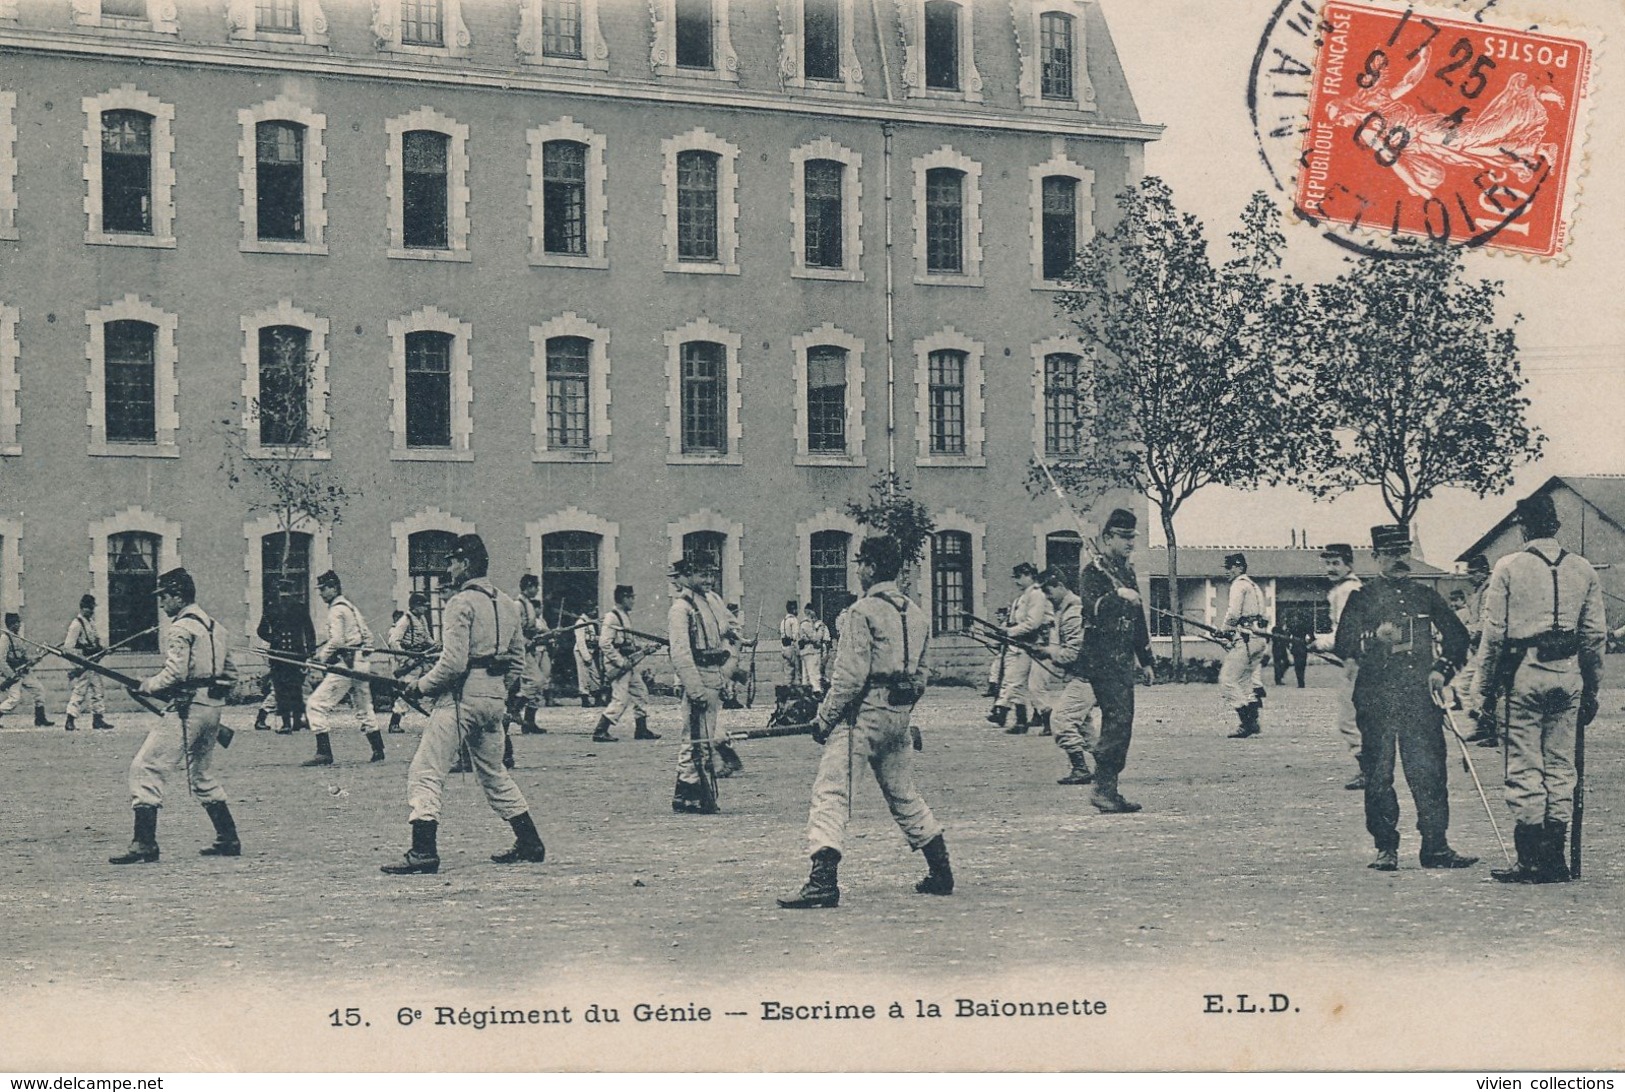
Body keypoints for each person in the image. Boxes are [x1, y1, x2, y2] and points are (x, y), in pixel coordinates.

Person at [778, 535, 949, 908]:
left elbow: (848, 679)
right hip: (899, 716)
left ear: (870, 566)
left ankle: (823, 881)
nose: (858, 571)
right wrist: (901, 709)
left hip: (862, 715)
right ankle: (941, 870)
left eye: (860, 564)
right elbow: (922, 676)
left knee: (831, 792)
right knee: (904, 792)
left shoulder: (862, 612)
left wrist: (823, 720)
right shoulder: (917, 614)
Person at [382, 534, 547, 875]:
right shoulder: (506, 603)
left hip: (462, 699)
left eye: (453, 562)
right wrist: (498, 691)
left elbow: (453, 664)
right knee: (494, 773)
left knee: (425, 770)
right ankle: (530, 841)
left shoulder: (460, 602)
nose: (450, 568)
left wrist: (419, 686)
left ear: (466, 564)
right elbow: (518, 659)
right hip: (494, 698)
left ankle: (423, 851)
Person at [1475, 494, 1605, 884]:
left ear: (1523, 528)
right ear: (1556, 526)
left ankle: (1531, 860)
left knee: (1524, 765)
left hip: (1523, 674)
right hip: (1568, 676)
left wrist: (1483, 688)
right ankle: (1557, 859)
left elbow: (1493, 635)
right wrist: (1592, 688)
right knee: (1561, 766)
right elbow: (1594, 636)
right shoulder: (1583, 570)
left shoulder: (1509, 567)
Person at [1334, 524, 1476, 872]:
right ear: (1376, 557)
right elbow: (1344, 645)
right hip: (1377, 698)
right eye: (1392, 553)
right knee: (1379, 775)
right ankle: (1386, 848)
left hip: (1418, 698)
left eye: (1404, 552)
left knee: (1429, 773)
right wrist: (1373, 638)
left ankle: (1436, 847)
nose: (1400, 559)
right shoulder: (1361, 597)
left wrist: (1441, 669)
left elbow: (1458, 637)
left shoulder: (1425, 595)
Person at [110, 568, 238, 865]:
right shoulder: (216, 627)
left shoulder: (180, 628)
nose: (162, 604)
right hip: (211, 708)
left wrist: (147, 685)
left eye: (165, 597)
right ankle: (228, 837)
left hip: (186, 708)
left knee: (145, 767)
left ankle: (145, 843)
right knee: (201, 774)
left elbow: (174, 674)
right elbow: (230, 674)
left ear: (178, 596)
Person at [1070, 509, 1156, 812]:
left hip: (1122, 659)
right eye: (1124, 538)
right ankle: (1102, 788)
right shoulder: (1093, 572)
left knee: (1123, 722)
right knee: (1117, 720)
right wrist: (1118, 594)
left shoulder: (1125, 571)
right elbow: (1092, 611)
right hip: (1102, 657)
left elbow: (1138, 618)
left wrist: (1145, 659)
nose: (1130, 543)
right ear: (1107, 537)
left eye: (1133, 538)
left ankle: (1109, 788)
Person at [668, 558, 735, 814]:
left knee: (704, 740)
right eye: (701, 575)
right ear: (686, 576)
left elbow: (724, 635)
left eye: (710, 575)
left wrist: (725, 676)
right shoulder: (680, 609)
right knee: (694, 739)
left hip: (713, 674)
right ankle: (688, 794)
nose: (708, 580)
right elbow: (681, 653)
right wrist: (695, 690)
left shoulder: (708, 603)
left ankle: (689, 794)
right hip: (698, 676)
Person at [303, 570, 383, 766]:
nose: (321, 594)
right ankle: (378, 749)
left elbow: (337, 640)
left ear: (334, 588)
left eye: (323, 589)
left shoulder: (336, 610)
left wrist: (321, 657)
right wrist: (362, 656)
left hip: (347, 664)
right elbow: (368, 637)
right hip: (360, 663)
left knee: (315, 704)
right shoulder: (351, 607)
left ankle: (324, 753)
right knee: (364, 706)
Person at [1034, 567, 1095, 786]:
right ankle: (1106, 766)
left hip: (1086, 676)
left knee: (1060, 719)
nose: (1047, 598)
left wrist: (1047, 652)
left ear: (1060, 586)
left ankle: (1081, 769)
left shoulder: (1072, 612)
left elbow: (1072, 653)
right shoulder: (1065, 610)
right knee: (1084, 726)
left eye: (1048, 591)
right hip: (1084, 676)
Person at [1312, 543, 1365, 789]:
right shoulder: (1344, 589)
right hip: (1355, 658)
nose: (1330, 568)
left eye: (1336, 563)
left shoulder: (1347, 590)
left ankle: (1369, 769)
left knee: (1349, 719)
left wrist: (1319, 643)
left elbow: (1346, 632)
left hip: (1358, 660)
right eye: (1327, 563)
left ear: (1349, 565)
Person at [594, 584, 661, 743]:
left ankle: (641, 729)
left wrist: (645, 648)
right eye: (631, 597)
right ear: (623, 598)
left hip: (628, 662)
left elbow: (628, 641)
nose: (633, 601)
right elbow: (605, 643)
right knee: (621, 699)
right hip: (618, 665)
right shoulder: (612, 617)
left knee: (640, 692)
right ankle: (600, 730)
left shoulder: (623, 615)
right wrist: (620, 662)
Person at [990, 563, 1051, 733]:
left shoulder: (1037, 594)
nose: (1016, 581)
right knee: (1016, 681)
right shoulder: (1024, 596)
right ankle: (1021, 722)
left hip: (1041, 644)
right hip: (1025, 644)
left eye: (1018, 577)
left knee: (1036, 685)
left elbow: (1034, 622)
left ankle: (1048, 722)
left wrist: (1011, 631)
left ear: (1028, 575)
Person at [1218, 554, 1268, 738]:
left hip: (1247, 639)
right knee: (1246, 681)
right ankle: (1253, 720)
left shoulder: (1238, 585)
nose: (1227, 572)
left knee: (1227, 680)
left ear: (1239, 568)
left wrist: (1225, 630)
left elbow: (1233, 612)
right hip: (1260, 638)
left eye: (1230, 568)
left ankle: (1247, 723)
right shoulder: (1255, 586)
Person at [1457, 555, 1499, 746]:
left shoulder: (1490, 590)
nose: (1470, 577)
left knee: (1474, 688)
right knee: (1470, 688)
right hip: (1478, 646)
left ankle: (1491, 729)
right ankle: (1483, 726)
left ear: (1483, 572)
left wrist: (1467, 633)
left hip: (1486, 645)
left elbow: (1485, 620)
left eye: (1473, 573)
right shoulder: (1480, 589)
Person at [385, 592, 435, 735]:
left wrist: (436, 645)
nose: (425, 609)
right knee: (406, 692)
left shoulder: (421, 619)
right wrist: (405, 659)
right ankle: (394, 723)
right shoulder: (405, 620)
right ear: (415, 606)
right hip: (410, 663)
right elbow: (393, 641)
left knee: (435, 682)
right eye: (423, 606)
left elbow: (426, 638)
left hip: (421, 660)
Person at [64, 594, 113, 732]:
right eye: (89, 608)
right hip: (84, 663)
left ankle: (98, 719)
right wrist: (80, 664)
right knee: (79, 692)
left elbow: (96, 640)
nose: (91, 611)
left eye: (92, 608)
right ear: (83, 607)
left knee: (98, 690)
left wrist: (102, 649)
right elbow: (68, 648)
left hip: (93, 663)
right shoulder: (76, 625)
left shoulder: (90, 622)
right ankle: (70, 720)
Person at [513, 574, 552, 731]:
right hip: (520, 649)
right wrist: (526, 642)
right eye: (535, 587)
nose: (537, 590)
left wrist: (544, 633)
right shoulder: (517, 605)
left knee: (538, 682)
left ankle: (529, 722)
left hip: (530, 648)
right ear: (528, 587)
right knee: (536, 681)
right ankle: (514, 709)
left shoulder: (528, 604)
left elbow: (531, 628)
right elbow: (514, 630)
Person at [0, 611, 53, 726]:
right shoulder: (5, 638)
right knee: (14, 699)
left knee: (39, 690)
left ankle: (40, 719)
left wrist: (33, 660)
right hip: (13, 672)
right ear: (11, 624)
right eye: (16, 623)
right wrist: (11, 675)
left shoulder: (18, 637)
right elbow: (1, 660)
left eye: (18, 622)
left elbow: (23, 655)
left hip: (24, 671)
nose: (19, 625)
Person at [798, 602, 830, 698]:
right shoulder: (807, 624)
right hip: (811, 652)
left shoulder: (805, 623)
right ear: (808, 611)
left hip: (806, 651)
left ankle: (807, 695)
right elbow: (816, 638)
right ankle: (817, 694)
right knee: (814, 674)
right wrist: (820, 629)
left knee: (807, 676)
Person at [573, 608, 602, 707]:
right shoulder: (580, 622)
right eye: (592, 609)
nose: (595, 611)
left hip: (591, 650)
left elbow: (592, 637)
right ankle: (585, 700)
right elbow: (580, 641)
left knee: (595, 674)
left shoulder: (590, 622)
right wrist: (586, 656)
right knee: (583, 675)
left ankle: (597, 698)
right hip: (581, 651)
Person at [780, 601, 803, 688]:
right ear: (793, 609)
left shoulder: (783, 621)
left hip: (784, 648)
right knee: (797, 671)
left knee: (788, 672)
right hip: (792, 647)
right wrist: (798, 650)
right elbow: (796, 636)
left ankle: (787, 689)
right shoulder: (794, 620)